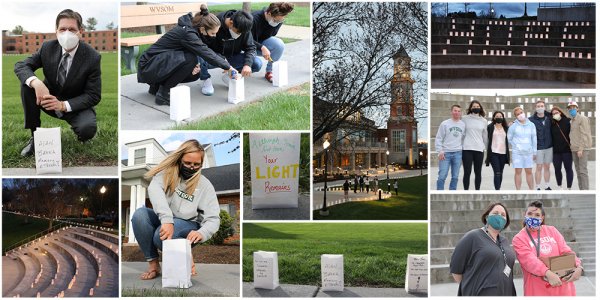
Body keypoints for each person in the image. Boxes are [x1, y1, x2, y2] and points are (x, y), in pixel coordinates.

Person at [14, 9, 100, 156]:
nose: (67, 33)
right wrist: (36, 83)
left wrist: (62, 105)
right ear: (56, 31)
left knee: (87, 129)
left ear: (81, 31)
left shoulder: (92, 57)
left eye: (72, 29)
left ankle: (80, 131)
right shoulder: (47, 47)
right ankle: (35, 137)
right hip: (47, 98)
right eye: (62, 29)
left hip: (74, 104)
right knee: (27, 85)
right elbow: (21, 65)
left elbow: (93, 95)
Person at [131, 140, 221, 280]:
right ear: (180, 160)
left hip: (189, 224)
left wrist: (202, 232)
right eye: (187, 163)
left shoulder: (205, 185)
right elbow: (154, 189)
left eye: (196, 164)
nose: (191, 167)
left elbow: (213, 218)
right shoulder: (166, 174)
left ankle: (185, 255)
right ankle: (154, 265)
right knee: (139, 216)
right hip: (167, 220)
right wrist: (167, 220)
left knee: (159, 236)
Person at [137, 5, 236, 105]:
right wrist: (228, 66)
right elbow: (206, 53)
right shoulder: (188, 33)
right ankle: (163, 95)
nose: (214, 36)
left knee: (194, 72)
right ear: (202, 29)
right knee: (191, 59)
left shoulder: (192, 29)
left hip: (153, 65)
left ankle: (156, 87)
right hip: (147, 67)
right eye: (212, 33)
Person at [512, 201, 583, 296]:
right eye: (529, 214)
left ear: (542, 218)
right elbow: (529, 261)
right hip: (538, 290)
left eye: (537, 215)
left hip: (563, 288)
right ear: (524, 215)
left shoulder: (552, 230)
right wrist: (548, 273)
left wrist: (578, 266)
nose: (533, 217)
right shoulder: (519, 238)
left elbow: (566, 251)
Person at [450, 203, 516, 296]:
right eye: (495, 213)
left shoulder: (504, 241)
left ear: (506, 221)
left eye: (503, 215)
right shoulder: (472, 237)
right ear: (486, 217)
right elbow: (456, 270)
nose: (499, 216)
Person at [200, 9, 261, 93]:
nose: (240, 35)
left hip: (231, 57)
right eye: (239, 32)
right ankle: (206, 79)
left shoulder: (244, 26)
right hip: (213, 57)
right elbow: (203, 48)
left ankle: (230, 76)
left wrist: (247, 65)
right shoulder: (214, 24)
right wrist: (223, 62)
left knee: (256, 63)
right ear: (231, 23)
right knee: (198, 57)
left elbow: (251, 47)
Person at [251, 3, 295, 82]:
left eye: (280, 20)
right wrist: (262, 47)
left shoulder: (279, 20)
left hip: (260, 43)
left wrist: (263, 47)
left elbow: (272, 34)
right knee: (256, 64)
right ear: (269, 13)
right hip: (246, 45)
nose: (277, 22)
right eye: (275, 20)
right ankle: (236, 68)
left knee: (279, 44)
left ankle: (269, 71)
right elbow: (247, 40)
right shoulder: (254, 18)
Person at [435, 105, 465, 190]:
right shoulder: (445, 124)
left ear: (461, 113)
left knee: (455, 177)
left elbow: (463, 138)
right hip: (445, 153)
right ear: (451, 112)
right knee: (442, 176)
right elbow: (439, 138)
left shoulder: (463, 125)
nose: (457, 112)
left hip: (458, 153)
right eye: (455, 110)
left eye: (459, 111)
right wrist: (440, 150)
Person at [508, 107, 537, 190]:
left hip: (529, 153)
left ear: (523, 112)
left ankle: (531, 190)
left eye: (521, 112)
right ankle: (518, 190)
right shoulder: (513, 126)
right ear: (516, 116)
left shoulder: (531, 125)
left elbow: (534, 138)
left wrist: (534, 152)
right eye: (518, 114)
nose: (520, 115)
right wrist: (516, 146)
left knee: (529, 172)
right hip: (517, 153)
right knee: (518, 172)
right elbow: (509, 138)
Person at [462, 100, 488, 190]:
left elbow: (485, 136)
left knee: (478, 172)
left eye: (478, 106)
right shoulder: (464, 118)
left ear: (480, 108)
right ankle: (466, 190)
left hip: (479, 149)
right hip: (467, 149)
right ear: (471, 108)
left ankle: (477, 190)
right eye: (474, 106)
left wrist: (488, 149)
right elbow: (462, 133)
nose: (476, 108)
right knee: (467, 172)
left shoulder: (484, 121)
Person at [529, 101, 554, 190]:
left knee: (547, 166)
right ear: (536, 108)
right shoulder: (531, 119)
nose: (540, 107)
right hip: (538, 147)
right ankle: (538, 187)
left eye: (542, 106)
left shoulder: (549, 117)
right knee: (539, 167)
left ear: (544, 107)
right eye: (538, 106)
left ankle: (547, 185)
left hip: (549, 146)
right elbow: (522, 122)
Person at [567, 101, 592, 190]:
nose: (572, 109)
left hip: (582, 149)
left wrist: (581, 149)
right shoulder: (572, 121)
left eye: (574, 107)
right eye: (570, 108)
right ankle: (581, 189)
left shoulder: (582, 118)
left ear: (577, 109)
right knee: (578, 171)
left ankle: (585, 190)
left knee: (583, 171)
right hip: (574, 149)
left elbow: (584, 134)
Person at [485, 111, 510, 190]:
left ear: (503, 118)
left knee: (501, 172)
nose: (499, 117)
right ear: (494, 117)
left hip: (503, 153)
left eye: (500, 116)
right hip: (493, 153)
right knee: (497, 172)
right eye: (497, 116)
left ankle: (498, 188)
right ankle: (497, 189)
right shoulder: (490, 127)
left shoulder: (506, 128)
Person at [550, 107, 573, 190]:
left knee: (568, 169)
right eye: (553, 114)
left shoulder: (567, 121)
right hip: (556, 152)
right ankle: (559, 186)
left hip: (567, 150)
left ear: (560, 112)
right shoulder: (551, 123)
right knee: (557, 169)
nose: (555, 114)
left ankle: (569, 187)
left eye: (556, 112)